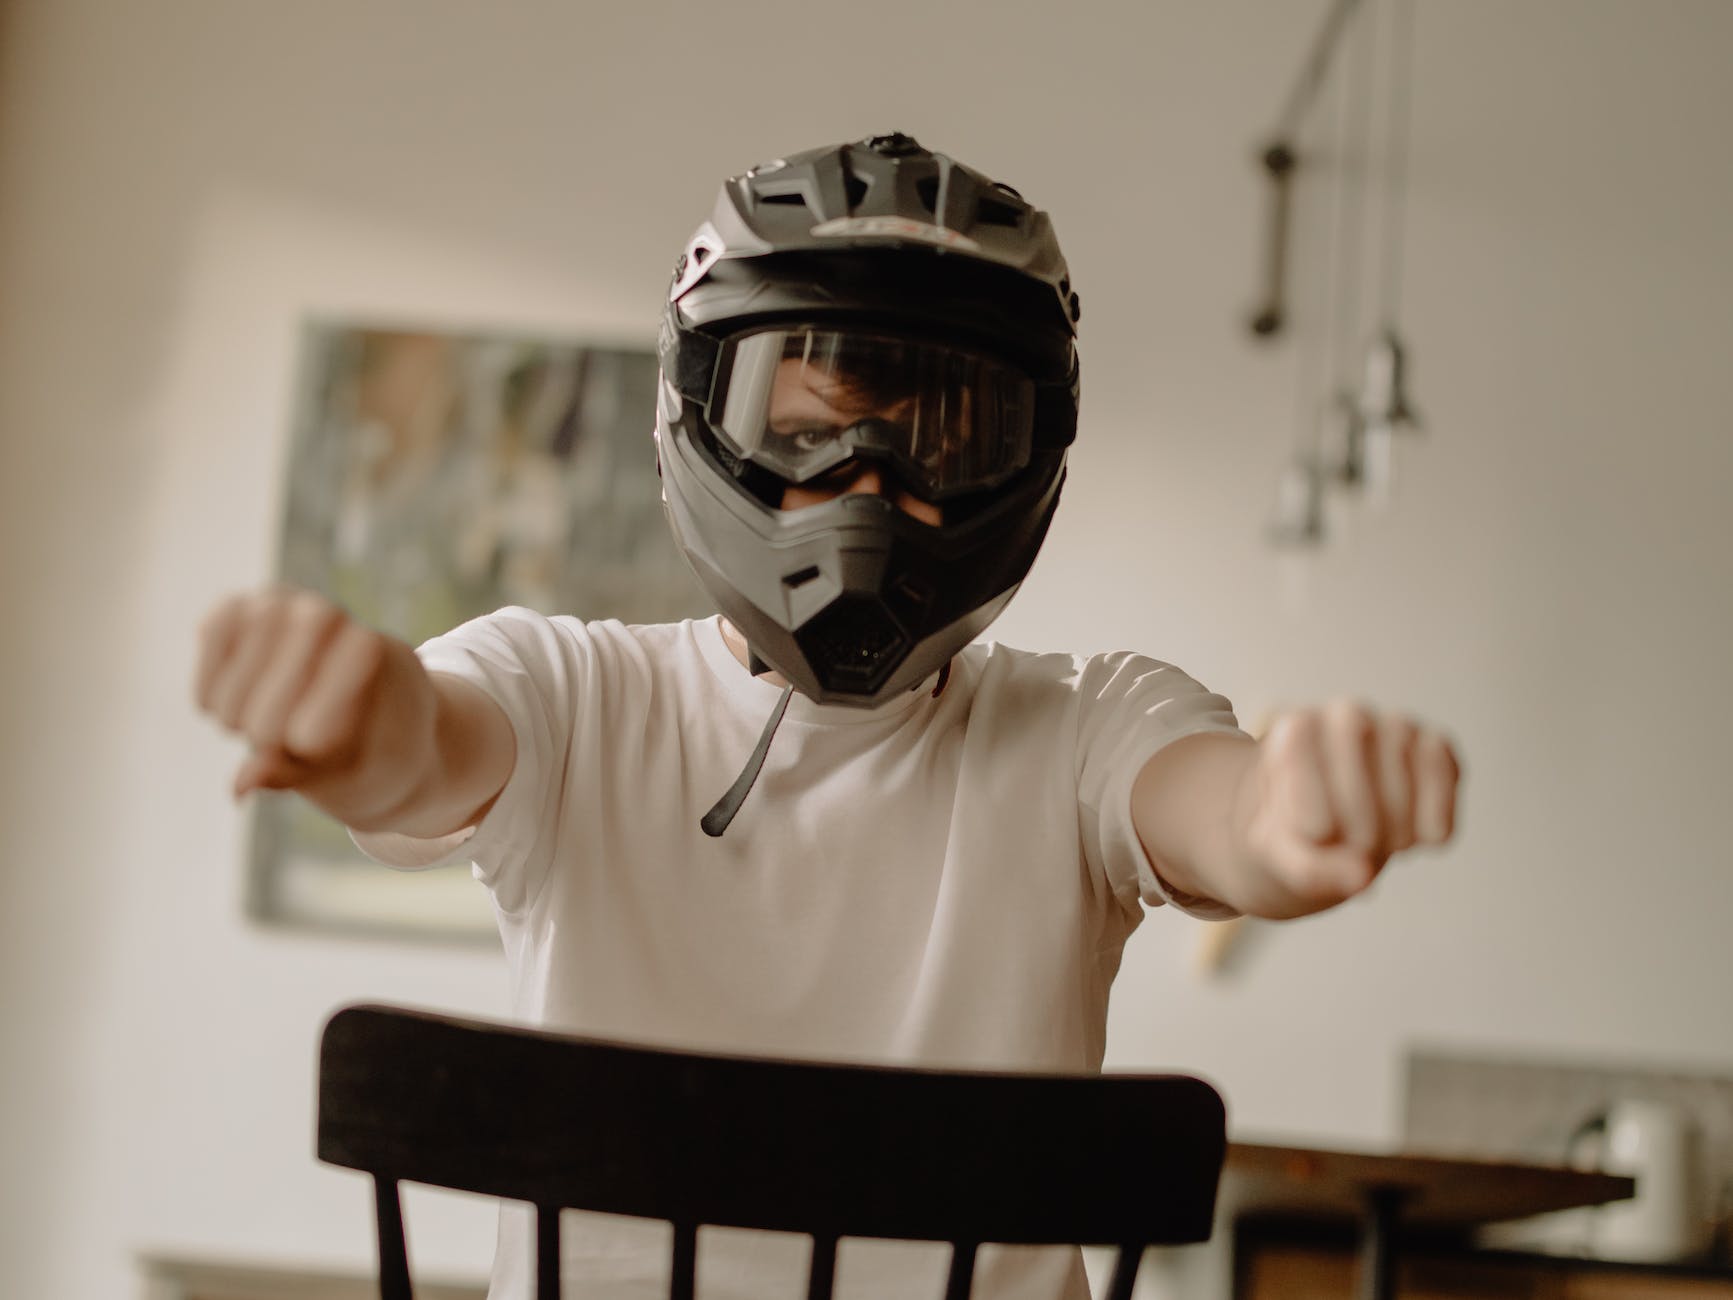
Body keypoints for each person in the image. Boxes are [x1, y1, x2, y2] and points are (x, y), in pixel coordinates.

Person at [194, 134, 1460, 1300]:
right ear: (699, 417)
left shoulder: (1084, 728)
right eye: (800, 436)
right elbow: (427, 745)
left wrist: (1284, 812)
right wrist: (358, 722)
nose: (866, 493)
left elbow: (1216, 809)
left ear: (1023, 460)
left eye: (937, 449)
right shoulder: (574, 696)